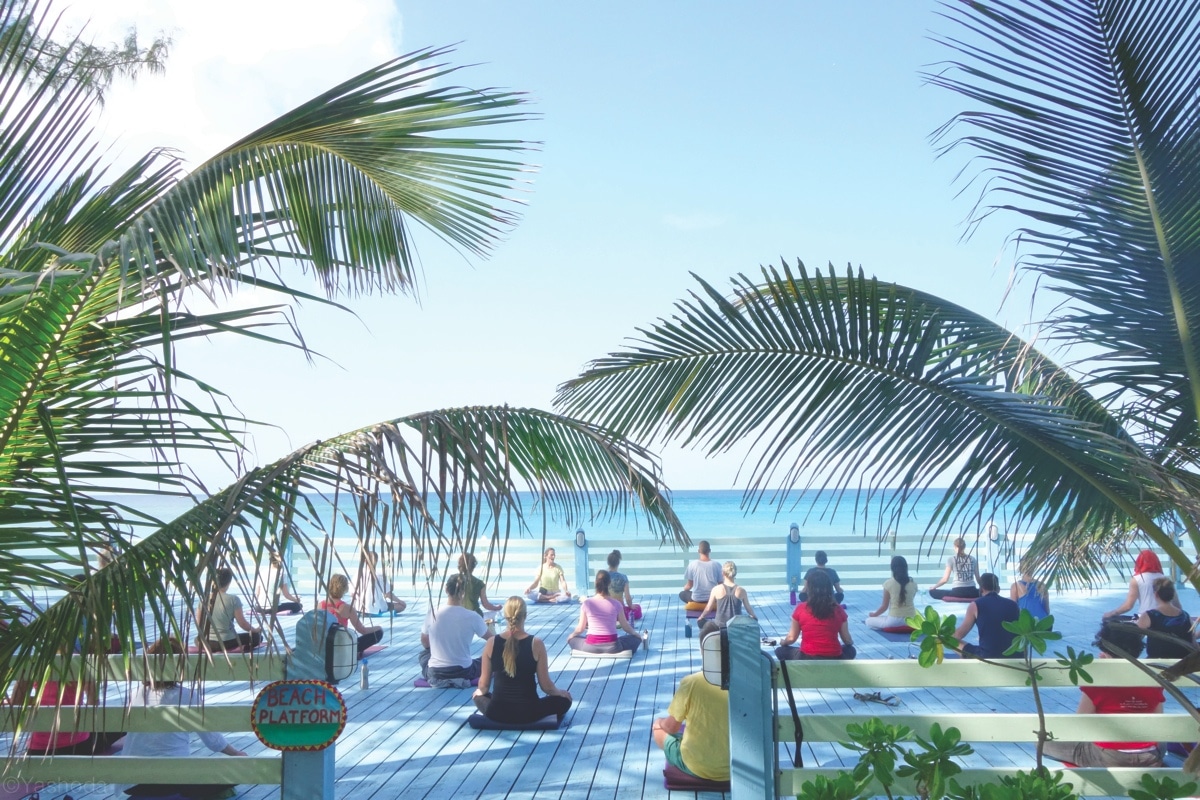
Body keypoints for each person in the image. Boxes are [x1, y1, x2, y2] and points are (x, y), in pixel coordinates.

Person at [115, 637, 248, 799]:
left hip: (132, 783)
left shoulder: (137, 693)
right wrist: (237, 755)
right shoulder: (187, 695)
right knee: (231, 772)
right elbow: (213, 741)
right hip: (173, 780)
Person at [1044, 622, 1163, 768]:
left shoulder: (1100, 680)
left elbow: (1081, 721)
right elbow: (1158, 720)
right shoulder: (1151, 678)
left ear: (1105, 651)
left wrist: (1104, 671)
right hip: (1148, 754)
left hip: (1110, 755)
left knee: (1042, 741)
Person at [473, 596, 573, 725]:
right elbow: (547, 687)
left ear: (505, 615)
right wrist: (561, 693)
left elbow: (484, 686)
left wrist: (478, 694)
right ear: (525, 615)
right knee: (565, 700)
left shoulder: (491, 642)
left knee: (479, 696)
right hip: (529, 713)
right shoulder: (536, 643)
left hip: (497, 712)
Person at [652, 621, 730, 782]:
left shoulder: (692, 682)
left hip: (698, 767)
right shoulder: (748, 682)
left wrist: (660, 722)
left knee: (658, 729)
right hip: (740, 766)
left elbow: (672, 728)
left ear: (703, 650)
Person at [420, 574, 493, 686]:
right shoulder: (472, 616)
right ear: (464, 592)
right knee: (485, 660)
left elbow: (424, 640)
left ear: (446, 589)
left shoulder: (433, 612)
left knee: (424, 655)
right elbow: (492, 640)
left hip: (435, 672)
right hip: (463, 671)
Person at [775, 570, 856, 660]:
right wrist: (849, 643)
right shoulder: (838, 609)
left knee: (780, 651)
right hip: (834, 656)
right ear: (829, 588)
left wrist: (783, 642)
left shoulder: (801, 609)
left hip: (807, 656)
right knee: (851, 650)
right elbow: (847, 640)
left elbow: (791, 638)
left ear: (810, 588)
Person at [567, 570, 641, 654]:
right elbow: (625, 627)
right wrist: (636, 634)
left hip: (590, 647)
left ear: (595, 583)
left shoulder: (587, 603)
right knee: (635, 639)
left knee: (573, 639)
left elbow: (580, 629)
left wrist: (571, 636)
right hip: (613, 647)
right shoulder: (616, 604)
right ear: (609, 583)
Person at [953, 573, 1020, 658]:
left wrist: (943, 637)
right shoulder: (1013, 605)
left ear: (981, 589)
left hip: (988, 656)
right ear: (998, 589)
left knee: (953, 642)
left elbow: (958, 635)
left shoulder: (975, 605)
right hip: (1015, 655)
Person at [319, 573, 383, 658]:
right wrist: (378, 628)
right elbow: (362, 630)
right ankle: (355, 651)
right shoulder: (347, 608)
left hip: (324, 645)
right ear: (345, 589)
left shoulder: (320, 605)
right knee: (378, 633)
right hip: (341, 646)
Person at [199, 567, 263, 651]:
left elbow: (199, 623)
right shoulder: (234, 599)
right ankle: (243, 649)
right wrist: (255, 630)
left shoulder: (204, 599)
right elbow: (243, 624)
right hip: (226, 642)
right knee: (257, 637)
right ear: (229, 583)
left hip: (208, 642)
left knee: (197, 639)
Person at [1104, 549, 1178, 618]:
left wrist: (1112, 613)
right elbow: (1177, 605)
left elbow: (1128, 606)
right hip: (1166, 617)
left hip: (1146, 617)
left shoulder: (1136, 579)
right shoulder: (1165, 579)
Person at [1137, 577, 1193, 658]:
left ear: (1156, 594)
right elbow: (1192, 642)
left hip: (1157, 662)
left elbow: (1135, 640)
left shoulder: (1149, 616)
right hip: (1182, 663)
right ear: (1173, 594)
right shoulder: (1185, 616)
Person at [865, 555, 918, 630]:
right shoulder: (914, 584)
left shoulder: (888, 583)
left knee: (868, 621)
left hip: (894, 621)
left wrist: (874, 614)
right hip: (912, 620)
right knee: (883, 618)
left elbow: (884, 606)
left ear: (893, 568)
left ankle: (890, 629)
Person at [700, 561, 757, 627]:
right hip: (736, 627)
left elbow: (708, 608)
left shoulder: (716, 589)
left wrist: (701, 617)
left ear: (723, 573)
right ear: (735, 573)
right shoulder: (741, 591)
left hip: (720, 626)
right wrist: (755, 617)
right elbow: (748, 609)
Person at [253, 549, 303, 615]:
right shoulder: (281, 574)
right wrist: (297, 600)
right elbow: (286, 595)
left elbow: (257, 593)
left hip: (258, 608)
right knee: (298, 606)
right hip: (273, 608)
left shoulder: (262, 572)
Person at [679, 540, 723, 611]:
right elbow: (721, 585)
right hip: (713, 599)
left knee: (682, 594)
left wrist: (685, 589)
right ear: (709, 551)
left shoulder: (692, 565)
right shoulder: (717, 565)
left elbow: (689, 586)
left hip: (697, 599)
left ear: (698, 551)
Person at [606, 549, 642, 621]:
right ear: (618, 563)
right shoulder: (623, 577)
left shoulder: (602, 576)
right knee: (638, 608)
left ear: (608, 563)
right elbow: (627, 597)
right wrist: (631, 606)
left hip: (605, 611)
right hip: (620, 612)